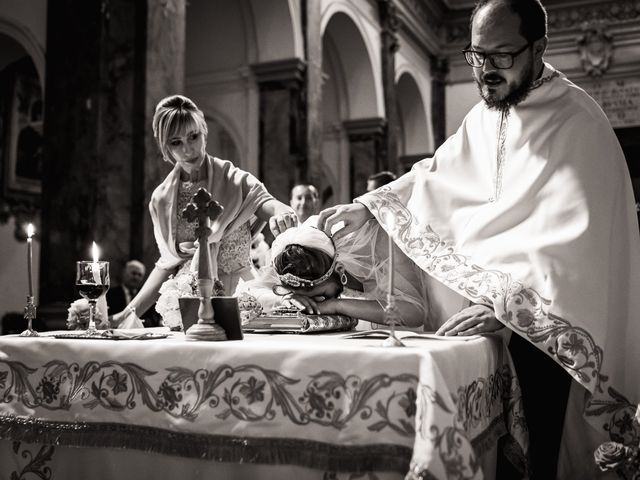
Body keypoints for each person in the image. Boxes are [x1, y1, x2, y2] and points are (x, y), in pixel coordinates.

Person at [317, 1, 640, 479]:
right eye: (477, 55)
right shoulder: (484, 118)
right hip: (484, 328)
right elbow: (435, 175)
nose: (486, 70)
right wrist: (369, 205)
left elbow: (578, 247)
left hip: (547, 345)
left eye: (502, 56)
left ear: (539, 49)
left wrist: (509, 308)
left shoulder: (579, 122)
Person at [109, 95, 296, 328]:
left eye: (193, 136)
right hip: (188, 305)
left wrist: (282, 211)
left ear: (204, 131)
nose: (188, 149)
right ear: (165, 148)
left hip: (241, 302)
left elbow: (270, 205)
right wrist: (126, 314)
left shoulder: (236, 180)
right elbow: (166, 265)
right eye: (176, 142)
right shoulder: (161, 199)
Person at [236, 216, 429, 330]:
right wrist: (285, 300)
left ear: (339, 269)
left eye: (321, 295)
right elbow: (245, 293)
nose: (320, 303)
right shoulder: (295, 253)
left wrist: (337, 305)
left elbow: (415, 312)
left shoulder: (378, 242)